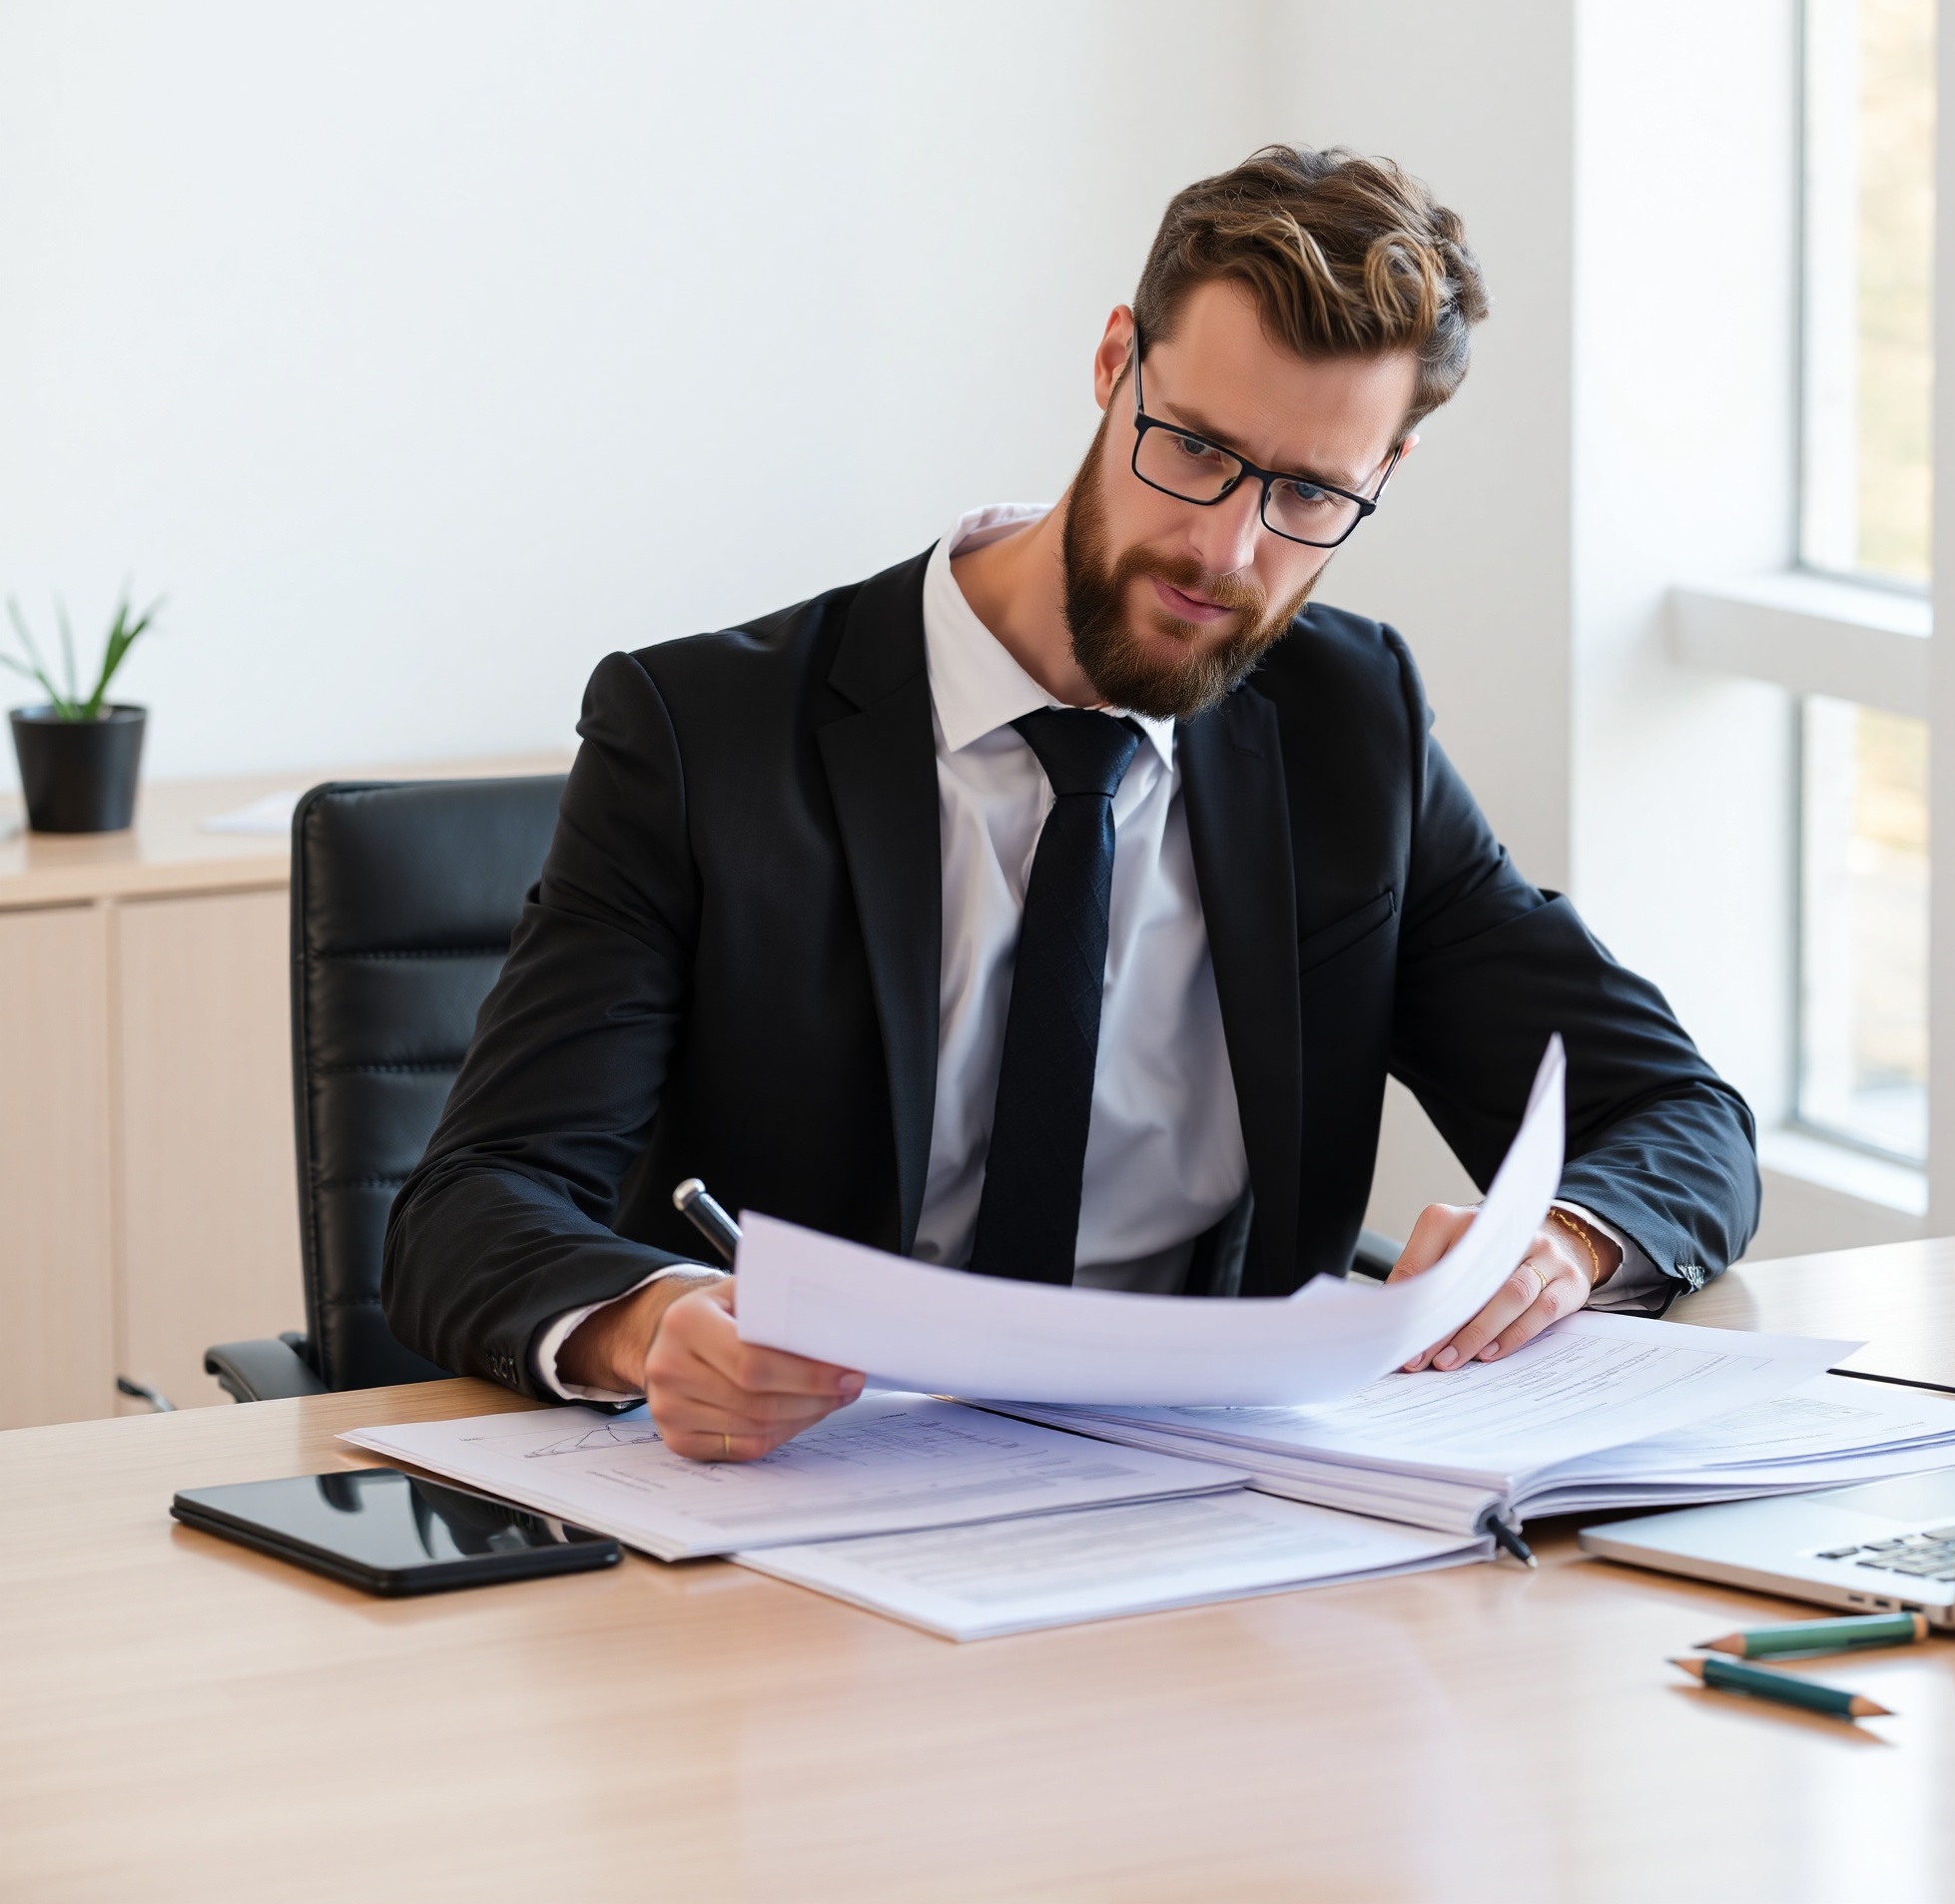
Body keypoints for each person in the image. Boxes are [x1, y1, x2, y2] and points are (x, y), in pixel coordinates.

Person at [383, 146, 1758, 1462]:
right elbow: (471, 1205)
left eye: (1308, 495)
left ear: (1382, 476)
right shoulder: (705, 737)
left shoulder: (1352, 726)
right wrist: (648, 1322)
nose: (1226, 549)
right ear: (1116, 365)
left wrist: (1563, 1241)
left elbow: (1678, 1116)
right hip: (813, 1494)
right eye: (1199, 451)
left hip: (1212, 1513)